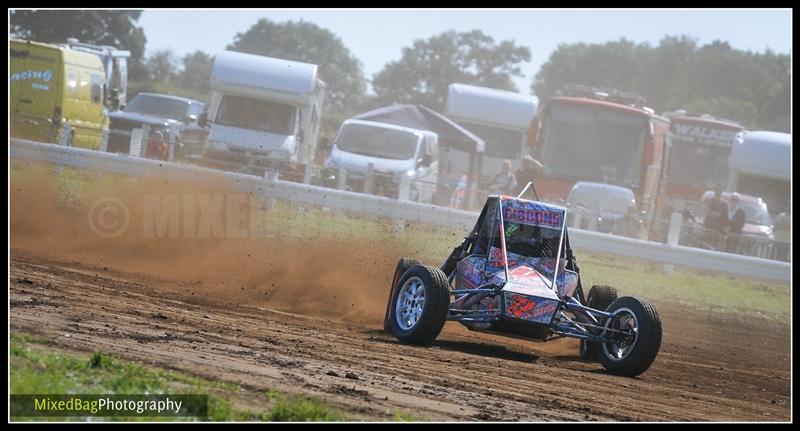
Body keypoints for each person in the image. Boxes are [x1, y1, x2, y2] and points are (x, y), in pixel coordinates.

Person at [703, 183, 728, 249]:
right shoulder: (708, 200)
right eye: (716, 189)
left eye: (720, 190)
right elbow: (706, 211)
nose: (718, 191)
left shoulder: (725, 204)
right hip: (707, 229)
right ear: (714, 190)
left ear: (722, 191)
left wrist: (711, 212)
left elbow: (722, 215)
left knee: (715, 249)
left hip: (718, 231)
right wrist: (717, 214)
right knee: (705, 247)